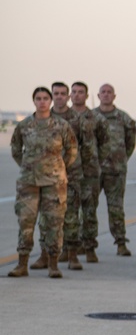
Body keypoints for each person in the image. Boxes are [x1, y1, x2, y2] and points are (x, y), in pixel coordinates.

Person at [8, 87, 78, 278]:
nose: (42, 102)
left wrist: (59, 167)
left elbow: (72, 150)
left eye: (45, 98)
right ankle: (22, 264)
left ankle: (53, 265)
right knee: (26, 222)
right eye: (38, 98)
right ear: (34, 102)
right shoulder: (24, 126)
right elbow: (15, 149)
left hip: (54, 182)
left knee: (54, 223)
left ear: (50, 101)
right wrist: (27, 166)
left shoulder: (61, 125)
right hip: (28, 182)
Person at [49, 82, 97, 271]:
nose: (59, 97)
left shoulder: (78, 120)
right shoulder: (44, 118)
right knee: (49, 218)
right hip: (47, 176)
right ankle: (49, 254)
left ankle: (73, 255)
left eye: (63, 93)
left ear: (67, 97)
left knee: (71, 216)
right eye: (56, 93)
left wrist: (77, 167)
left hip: (72, 175)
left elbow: (87, 148)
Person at [93, 84, 136, 256]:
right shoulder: (90, 117)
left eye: (109, 92)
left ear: (114, 96)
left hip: (116, 171)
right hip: (93, 171)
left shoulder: (123, 118)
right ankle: (86, 243)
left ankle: (120, 243)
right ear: (98, 95)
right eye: (103, 92)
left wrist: (121, 159)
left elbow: (130, 143)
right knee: (88, 208)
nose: (106, 95)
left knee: (116, 208)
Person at [71, 81, 108, 264]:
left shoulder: (96, 118)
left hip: (90, 173)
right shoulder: (62, 118)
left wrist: (96, 162)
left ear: (87, 96)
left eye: (81, 92)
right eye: (74, 92)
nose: (77, 95)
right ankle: (69, 247)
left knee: (89, 211)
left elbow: (104, 143)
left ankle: (90, 247)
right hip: (68, 173)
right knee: (69, 212)